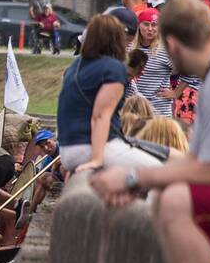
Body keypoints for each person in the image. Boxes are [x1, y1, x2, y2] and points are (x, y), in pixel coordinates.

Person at [91, 0, 210, 263]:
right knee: (171, 197)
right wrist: (139, 183)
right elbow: (194, 160)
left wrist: (134, 179)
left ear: (171, 45)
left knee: (174, 202)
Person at [55, 14, 161, 173]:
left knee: (169, 154)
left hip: (67, 148)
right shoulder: (113, 68)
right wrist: (98, 159)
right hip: (90, 147)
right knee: (160, 170)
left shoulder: (75, 65)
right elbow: (100, 116)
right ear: (117, 38)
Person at [132, 7, 175, 117]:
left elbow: (190, 70)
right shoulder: (130, 47)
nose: (150, 29)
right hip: (134, 110)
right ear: (139, 25)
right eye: (146, 24)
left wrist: (176, 92)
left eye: (154, 25)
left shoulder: (166, 49)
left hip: (158, 111)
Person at [28, 129, 64, 220]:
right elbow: (40, 178)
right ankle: (31, 210)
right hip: (58, 183)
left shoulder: (64, 148)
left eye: (48, 143)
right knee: (40, 178)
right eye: (42, 146)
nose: (46, 148)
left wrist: (57, 165)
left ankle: (31, 210)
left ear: (54, 140)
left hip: (73, 181)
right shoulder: (47, 159)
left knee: (44, 177)